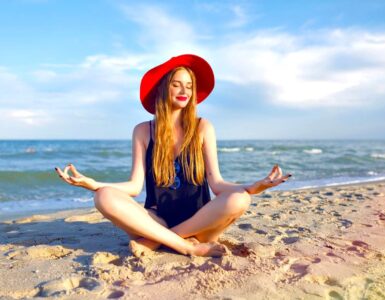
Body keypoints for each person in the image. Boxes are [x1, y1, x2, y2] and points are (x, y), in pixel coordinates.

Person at [55, 54, 291, 258]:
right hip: (157, 220)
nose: (184, 91)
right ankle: (183, 246)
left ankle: (159, 240)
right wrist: (94, 184)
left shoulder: (203, 127)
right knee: (104, 197)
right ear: (163, 88)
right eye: (177, 84)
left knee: (240, 199)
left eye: (189, 86)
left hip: (200, 221)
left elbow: (217, 184)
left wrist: (253, 186)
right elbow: (134, 187)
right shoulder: (143, 130)